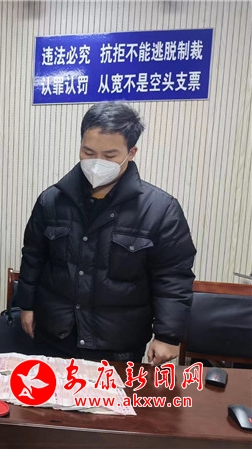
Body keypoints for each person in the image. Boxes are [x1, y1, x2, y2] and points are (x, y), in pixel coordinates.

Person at [15, 102, 196, 366]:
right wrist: (27, 306)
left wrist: (168, 335)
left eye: (109, 155)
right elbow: (33, 257)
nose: (96, 163)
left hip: (118, 343)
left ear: (131, 152)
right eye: (88, 152)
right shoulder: (51, 200)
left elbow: (173, 276)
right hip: (55, 334)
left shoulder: (160, 209)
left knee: (112, 396)